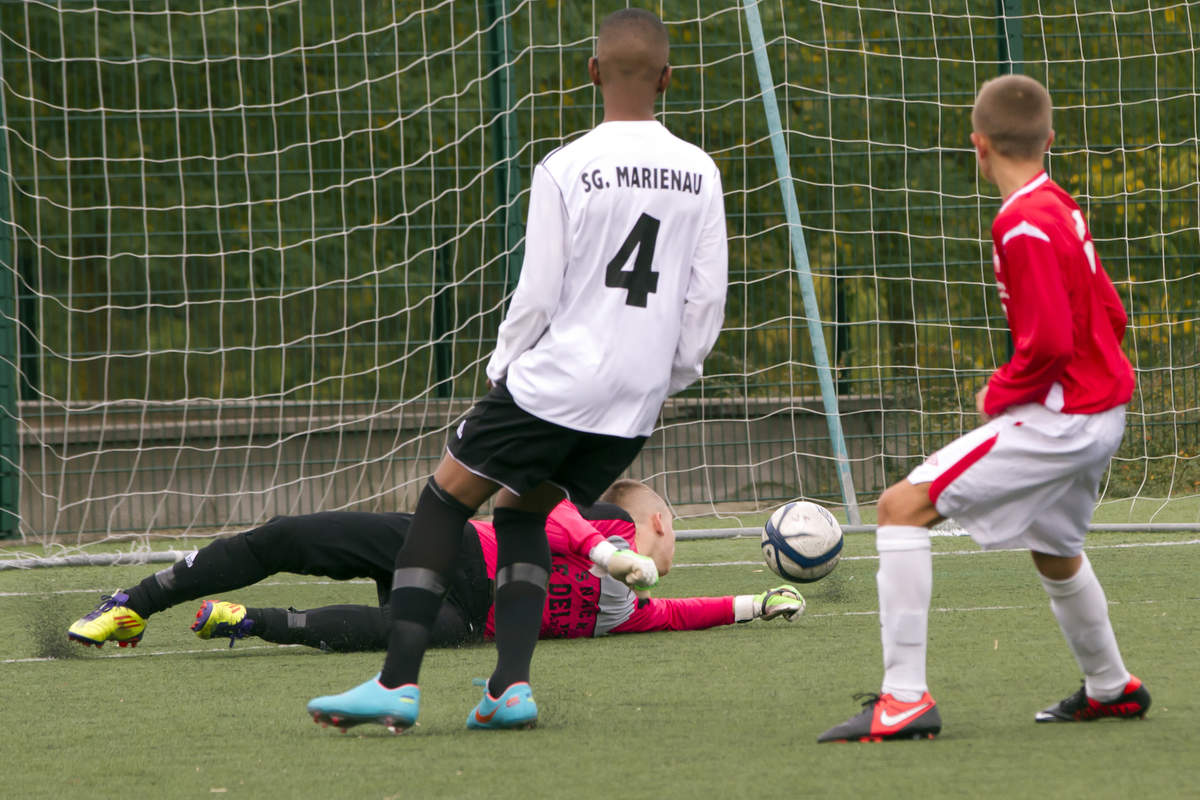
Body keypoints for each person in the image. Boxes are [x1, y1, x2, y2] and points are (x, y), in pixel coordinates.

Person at [306, 7, 728, 733]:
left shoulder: (565, 167)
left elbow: (537, 293)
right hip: (634, 399)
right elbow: (705, 300)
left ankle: (396, 683)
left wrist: (506, 368)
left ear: (593, 72)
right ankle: (510, 689)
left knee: (442, 500)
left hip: (557, 383)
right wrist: (668, 376)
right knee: (523, 508)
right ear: (668, 79)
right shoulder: (701, 171)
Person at [817, 74, 1148, 743]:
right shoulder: (1058, 202)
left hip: (1065, 418)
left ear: (977, 145)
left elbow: (1051, 340)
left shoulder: (1021, 221)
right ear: (1048, 141)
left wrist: (999, 393)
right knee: (1055, 549)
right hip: (1099, 411)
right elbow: (1108, 310)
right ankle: (1111, 687)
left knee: (899, 507)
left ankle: (903, 699)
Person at [67, 480, 805, 657]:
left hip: (469, 616)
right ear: (654, 524)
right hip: (447, 548)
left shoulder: (633, 610)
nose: (669, 552)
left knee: (414, 633)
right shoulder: (606, 525)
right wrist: (607, 548)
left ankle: (251, 623)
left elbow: (682, 613)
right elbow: (548, 515)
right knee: (290, 536)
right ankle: (134, 600)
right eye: (670, 533)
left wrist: (753, 603)